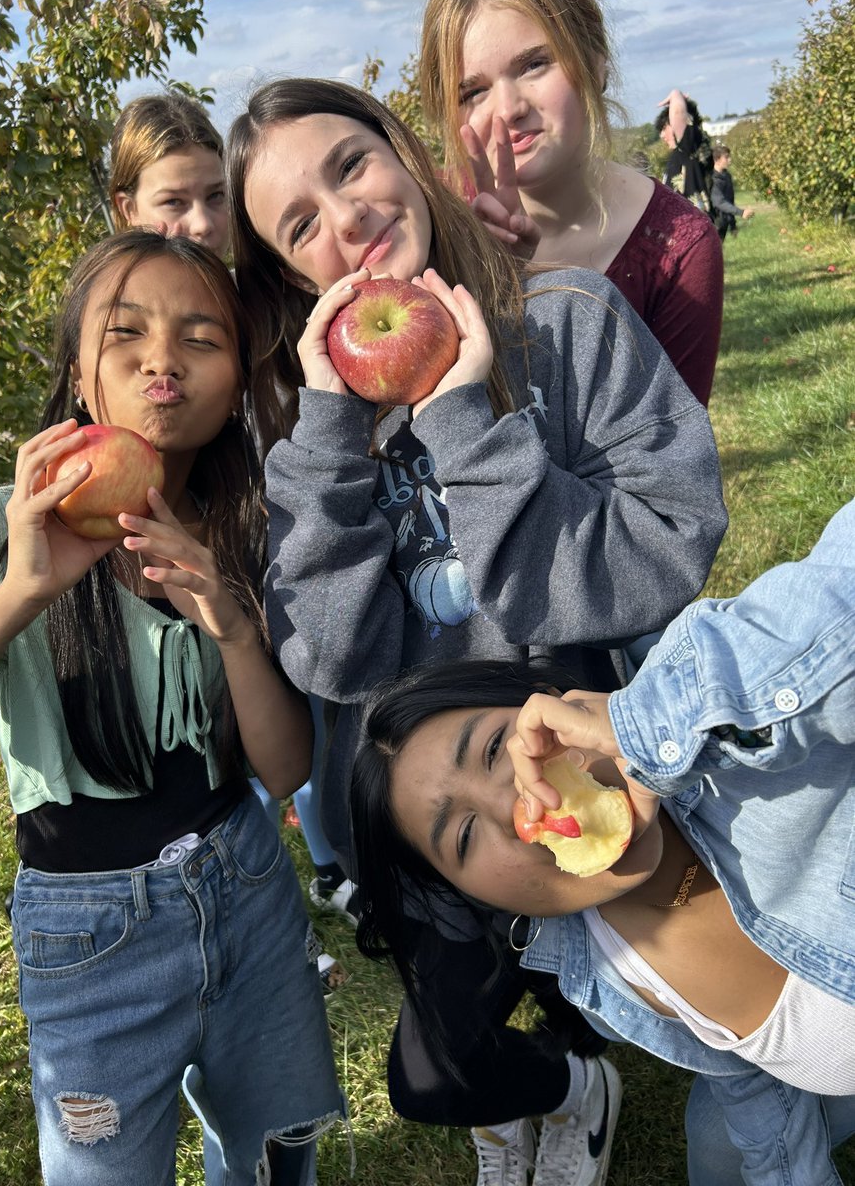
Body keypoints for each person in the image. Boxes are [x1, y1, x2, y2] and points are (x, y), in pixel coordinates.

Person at [225, 76, 728, 1185]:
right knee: (436, 1073)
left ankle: (590, 1055)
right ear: (290, 279)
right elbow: (331, 655)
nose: (344, 218)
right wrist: (327, 428)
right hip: (448, 829)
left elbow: (673, 542)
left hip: (601, 778)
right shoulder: (315, 437)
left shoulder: (565, 327)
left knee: (665, 1012)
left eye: (350, 166)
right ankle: (558, 1089)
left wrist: (463, 416)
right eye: (299, 223)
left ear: (405, 157)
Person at [0, 230, 345, 1186]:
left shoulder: (249, 532)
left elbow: (288, 771)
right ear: (82, 376)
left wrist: (232, 627)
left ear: (235, 388)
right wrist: (21, 595)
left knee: (271, 1147)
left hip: (246, 887)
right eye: (126, 334)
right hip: (87, 937)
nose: (162, 360)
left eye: (201, 339)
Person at [351, 494, 855, 1182]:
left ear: (555, 705)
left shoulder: (736, 742)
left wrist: (654, 723)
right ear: (469, 896)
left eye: (500, 747)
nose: (516, 808)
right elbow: (756, 1086)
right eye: (464, 836)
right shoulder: (607, 982)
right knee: (728, 1146)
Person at [109, 91, 357, 946]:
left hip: (278, 535)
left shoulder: (261, 300)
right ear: (126, 207)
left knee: (308, 703)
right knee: (226, 712)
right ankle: (248, 891)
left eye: (215, 197)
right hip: (195, 540)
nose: (200, 221)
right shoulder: (124, 321)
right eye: (174, 201)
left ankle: (330, 863)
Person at [419, 0, 724, 408]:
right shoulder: (431, 219)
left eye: (534, 64)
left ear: (595, 62)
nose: (508, 109)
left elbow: (669, 460)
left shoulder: (679, 250)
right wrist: (484, 275)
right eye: (473, 92)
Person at [108, 91, 230, 257]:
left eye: (216, 195)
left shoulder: (264, 281)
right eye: (173, 202)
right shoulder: (107, 283)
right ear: (130, 209)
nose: (203, 225)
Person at [655, 90, 714, 217]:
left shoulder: (689, 147)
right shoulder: (679, 156)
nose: (662, 135)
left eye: (664, 128)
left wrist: (675, 94)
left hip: (696, 227)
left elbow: (678, 113)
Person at [709, 145, 754, 243]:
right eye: (726, 157)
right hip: (713, 222)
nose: (729, 160)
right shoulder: (712, 179)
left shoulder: (727, 176)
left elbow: (729, 201)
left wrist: (733, 225)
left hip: (724, 222)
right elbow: (719, 202)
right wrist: (741, 212)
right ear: (717, 159)